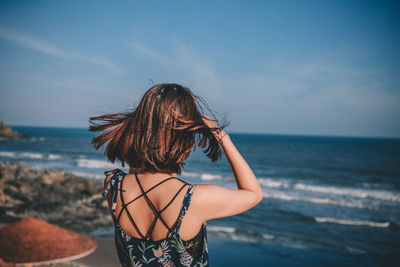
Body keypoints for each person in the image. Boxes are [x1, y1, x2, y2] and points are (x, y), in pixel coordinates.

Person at [89, 83, 262, 267]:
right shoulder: (194, 199)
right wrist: (221, 136)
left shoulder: (114, 186)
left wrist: (145, 128)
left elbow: (138, 170)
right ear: (185, 139)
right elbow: (254, 193)